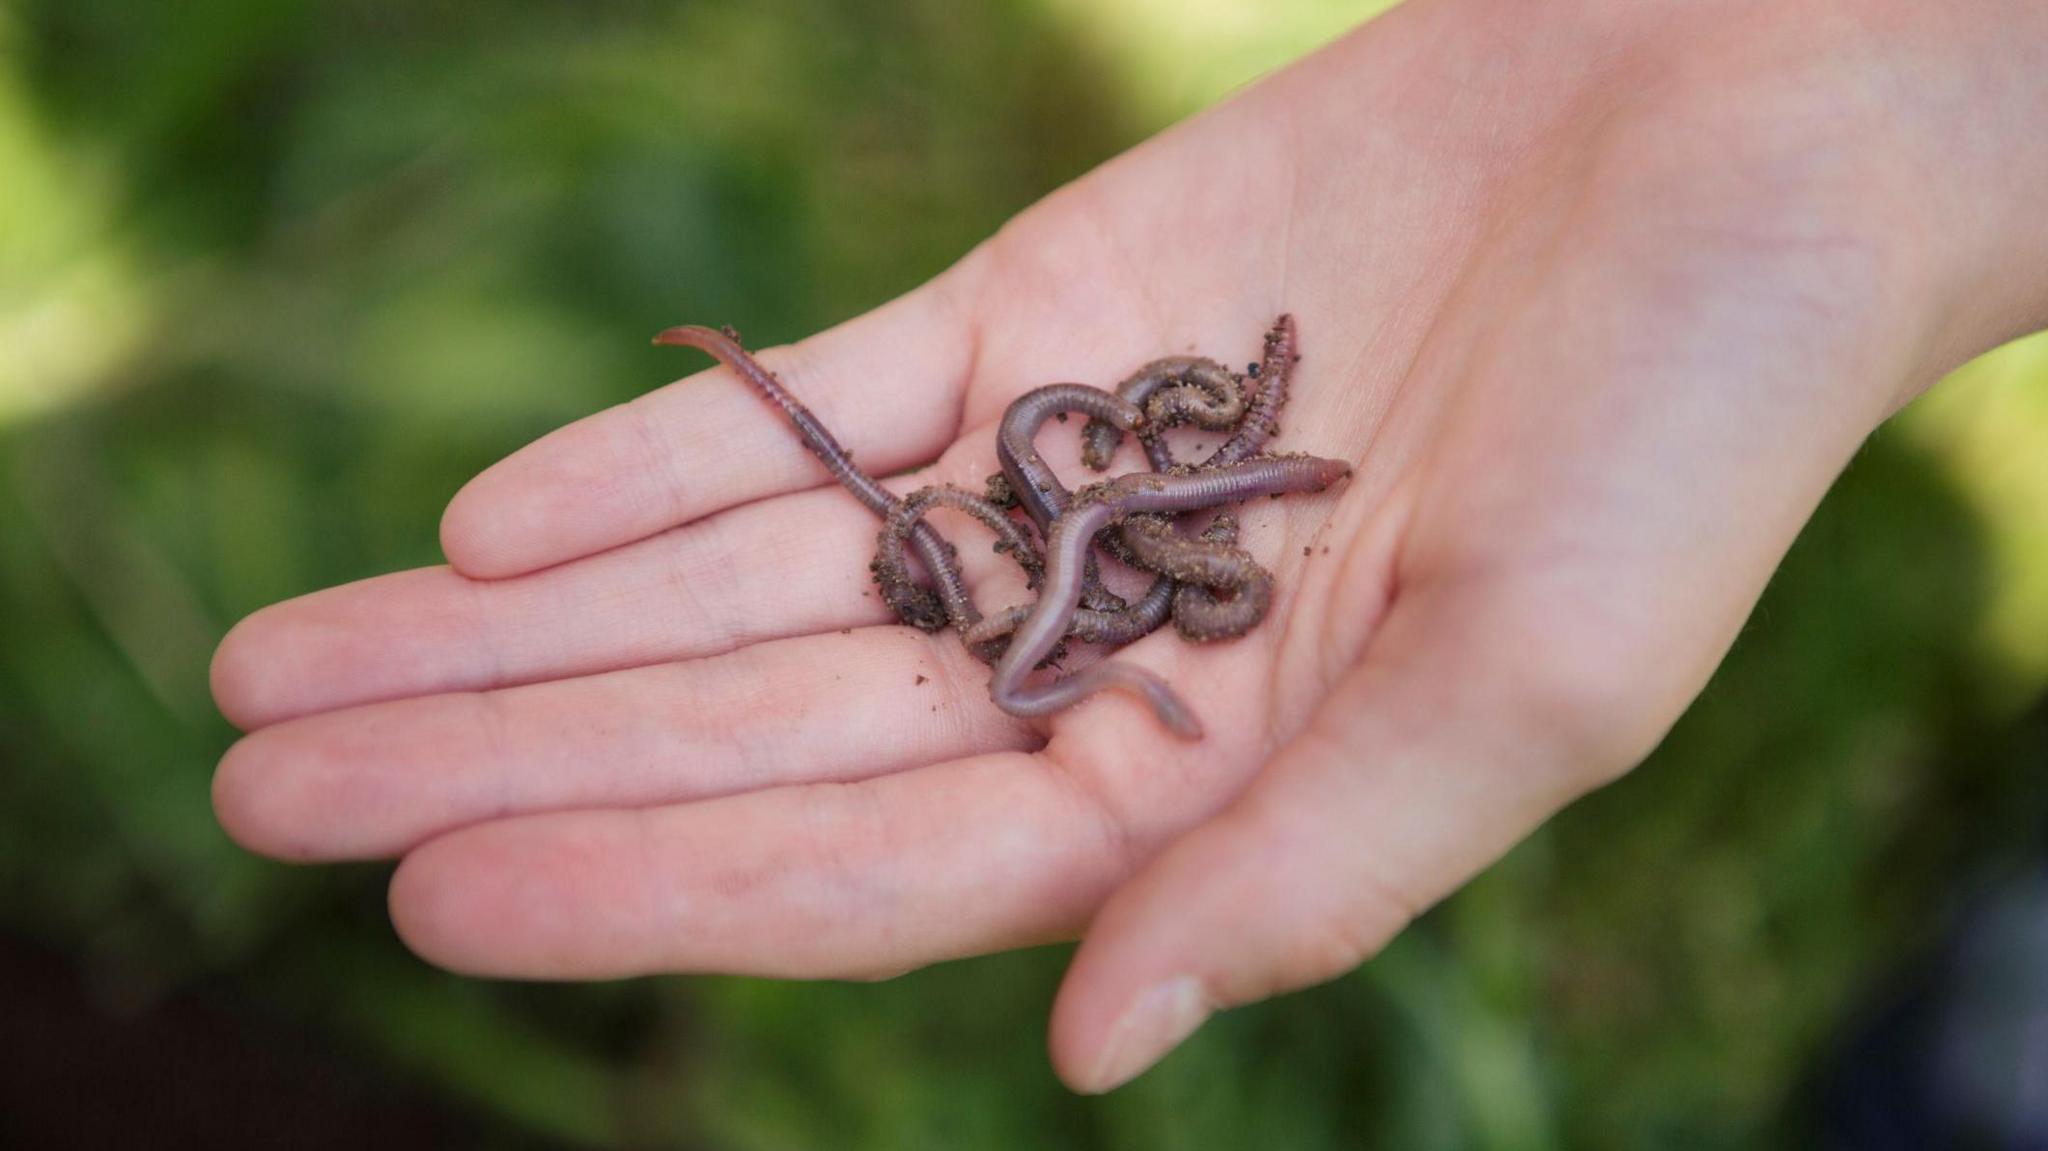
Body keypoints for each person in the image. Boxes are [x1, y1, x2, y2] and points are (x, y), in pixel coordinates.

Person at [206, 0, 2048, 1093]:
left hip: (1090, 527)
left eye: (1243, 444)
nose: (1251, 463)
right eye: (1248, 440)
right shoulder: (1128, 507)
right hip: (1081, 530)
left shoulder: (1160, 503)